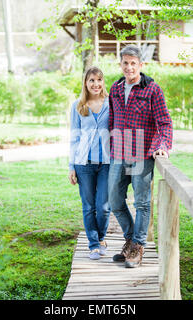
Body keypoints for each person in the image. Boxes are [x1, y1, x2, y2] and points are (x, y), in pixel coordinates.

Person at [108, 45, 173, 268]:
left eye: (133, 63)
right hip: (118, 153)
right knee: (115, 201)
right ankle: (129, 239)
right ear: (121, 64)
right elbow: (112, 121)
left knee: (142, 203)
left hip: (142, 154)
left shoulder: (152, 89)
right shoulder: (115, 88)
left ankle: (137, 246)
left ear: (140, 65)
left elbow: (164, 122)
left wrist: (162, 145)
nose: (129, 67)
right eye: (125, 63)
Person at [69, 66, 111, 260]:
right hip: (83, 163)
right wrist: (71, 166)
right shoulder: (78, 105)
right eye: (91, 80)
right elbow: (74, 137)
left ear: (103, 82)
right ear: (85, 83)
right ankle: (94, 244)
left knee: (103, 206)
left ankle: (101, 238)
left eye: (99, 80)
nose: (96, 84)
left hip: (107, 163)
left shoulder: (112, 103)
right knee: (88, 206)